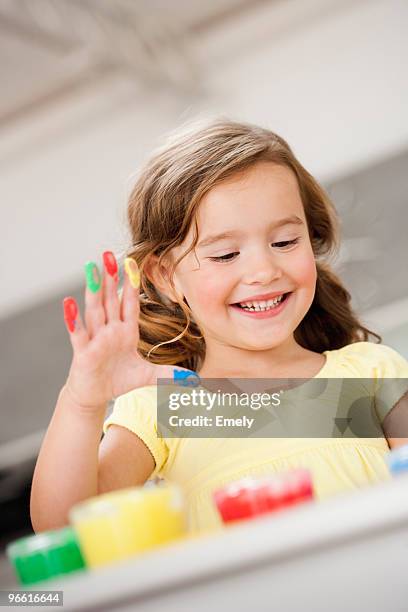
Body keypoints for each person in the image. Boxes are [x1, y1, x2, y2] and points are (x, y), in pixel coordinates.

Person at [30, 117, 408, 535]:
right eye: (226, 254)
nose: (263, 271)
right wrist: (82, 402)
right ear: (165, 277)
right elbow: (64, 527)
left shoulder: (371, 374)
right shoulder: (166, 407)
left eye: (284, 242)